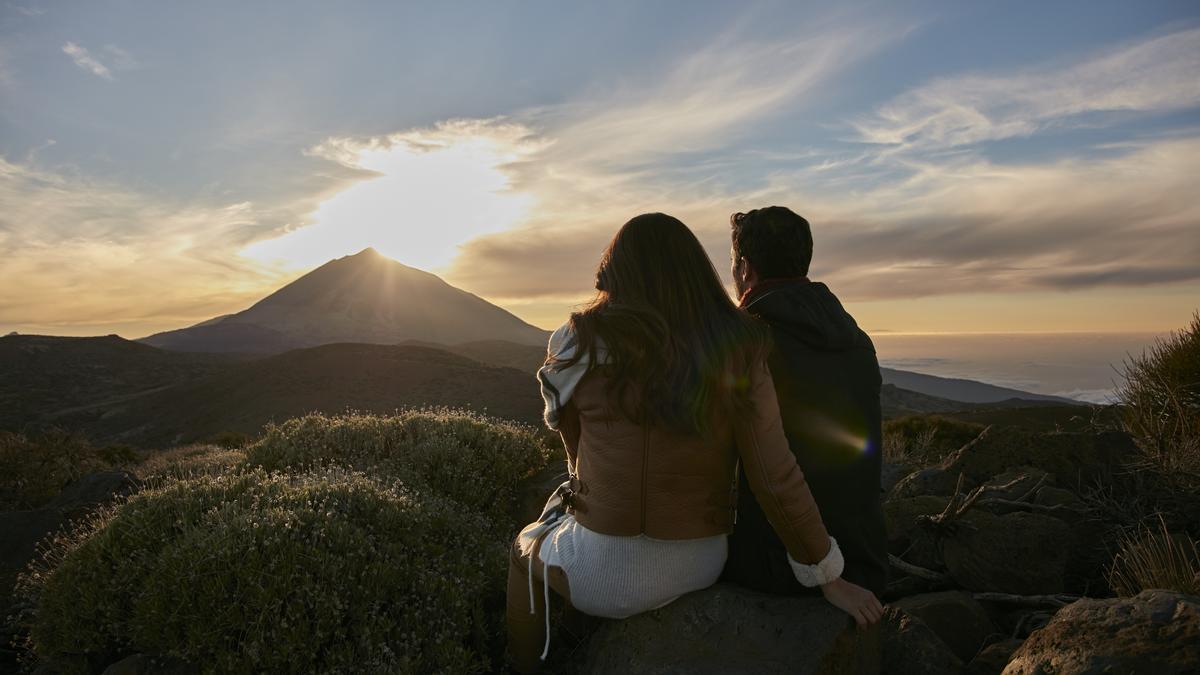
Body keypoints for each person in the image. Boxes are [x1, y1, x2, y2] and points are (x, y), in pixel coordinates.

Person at [506, 213, 883, 672]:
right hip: (699, 563)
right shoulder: (739, 345)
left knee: (525, 548)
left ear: (615, 269)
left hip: (597, 572)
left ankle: (525, 664)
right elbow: (774, 474)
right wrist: (827, 576)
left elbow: (575, 453)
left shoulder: (575, 342)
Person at [723, 206, 889, 597]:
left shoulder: (745, 344)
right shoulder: (855, 338)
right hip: (863, 559)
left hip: (779, 564)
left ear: (745, 269)